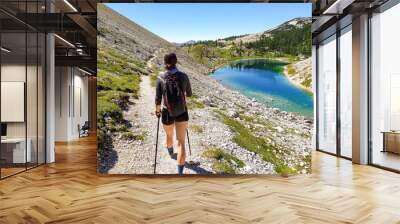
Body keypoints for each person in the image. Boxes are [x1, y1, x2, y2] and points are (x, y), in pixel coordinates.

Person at [155, 53, 192, 175]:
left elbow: (158, 97)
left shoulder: (160, 77)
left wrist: (157, 110)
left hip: (166, 111)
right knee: (181, 142)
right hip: (182, 111)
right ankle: (180, 172)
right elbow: (189, 94)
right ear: (176, 62)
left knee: (169, 135)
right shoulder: (183, 76)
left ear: (165, 63)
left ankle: (171, 152)